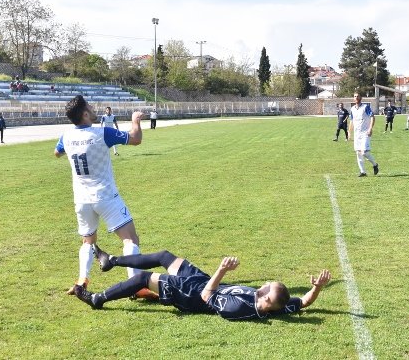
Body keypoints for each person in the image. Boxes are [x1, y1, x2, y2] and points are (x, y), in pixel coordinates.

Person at [54, 95, 153, 298]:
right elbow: (136, 139)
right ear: (84, 113)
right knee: (130, 239)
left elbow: (56, 152)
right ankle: (136, 287)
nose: (92, 108)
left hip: (82, 199)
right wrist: (135, 120)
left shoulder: (66, 135)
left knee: (88, 242)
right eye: (89, 107)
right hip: (105, 196)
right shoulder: (102, 133)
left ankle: (82, 281)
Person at [73, 245, 331, 321]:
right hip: (203, 281)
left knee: (143, 278)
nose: (263, 284)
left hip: (193, 296)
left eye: (266, 287)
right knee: (164, 256)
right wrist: (316, 288)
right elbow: (304, 302)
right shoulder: (279, 305)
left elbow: (208, 297)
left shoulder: (239, 307)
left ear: (265, 300)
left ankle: (98, 299)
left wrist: (220, 270)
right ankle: (111, 260)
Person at [348, 91, 379, 177]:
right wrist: (349, 132)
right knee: (358, 153)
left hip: (365, 133)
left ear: (361, 98)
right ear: (353, 98)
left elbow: (372, 117)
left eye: (358, 96)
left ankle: (375, 164)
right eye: (355, 96)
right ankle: (363, 172)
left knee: (364, 152)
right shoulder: (352, 109)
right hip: (357, 134)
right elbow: (351, 121)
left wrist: (370, 128)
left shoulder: (365, 107)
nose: (356, 98)